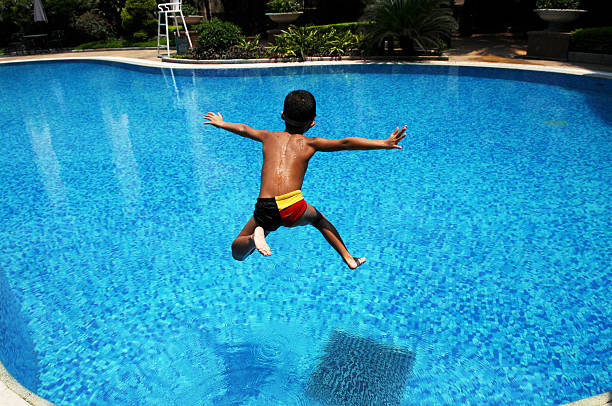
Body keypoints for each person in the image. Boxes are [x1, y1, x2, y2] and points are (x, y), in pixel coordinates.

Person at [204, 90, 406, 270]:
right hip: (292, 205)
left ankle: (253, 238)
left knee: (237, 252)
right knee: (318, 219)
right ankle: (348, 258)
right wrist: (383, 143)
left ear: (282, 115)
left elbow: (243, 129)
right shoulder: (311, 143)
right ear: (312, 123)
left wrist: (221, 123)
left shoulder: (267, 137)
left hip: (265, 206)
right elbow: (346, 143)